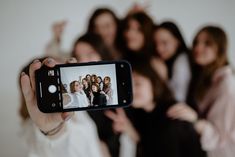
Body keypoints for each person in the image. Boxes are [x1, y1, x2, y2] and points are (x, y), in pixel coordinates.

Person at [106, 62, 206, 157]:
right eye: (128, 86)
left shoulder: (172, 114)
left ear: (154, 83)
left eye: (137, 84)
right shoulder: (145, 115)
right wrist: (132, 133)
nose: (132, 91)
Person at [167, 26, 235, 157]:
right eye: (196, 43)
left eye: (207, 44)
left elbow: (219, 137)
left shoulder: (226, 86)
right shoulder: (207, 78)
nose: (198, 48)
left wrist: (194, 119)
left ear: (220, 48)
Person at [19, 57, 103, 157]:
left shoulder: (79, 110)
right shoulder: (31, 130)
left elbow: (92, 143)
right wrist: (52, 131)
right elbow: (48, 146)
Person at [118, 11, 167, 80]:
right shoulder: (119, 60)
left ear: (147, 34)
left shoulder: (157, 66)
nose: (130, 33)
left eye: (138, 30)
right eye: (128, 28)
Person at [153, 21, 192, 102]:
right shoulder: (166, 61)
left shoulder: (181, 62)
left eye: (164, 43)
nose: (159, 48)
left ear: (177, 41)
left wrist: (164, 78)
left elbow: (179, 99)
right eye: (156, 43)